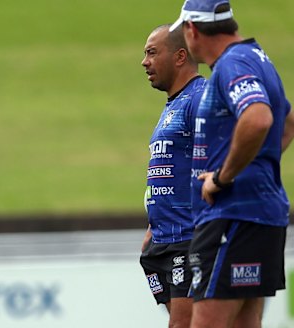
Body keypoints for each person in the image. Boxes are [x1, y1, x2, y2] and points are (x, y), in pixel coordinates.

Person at [169, 1, 294, 327]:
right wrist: (254, 167)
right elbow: (288, 121)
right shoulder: (258, 58)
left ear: (192, 30)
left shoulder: (231, 64)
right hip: (262, 215)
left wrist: (225, 177)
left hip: (231, 216)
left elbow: (258, 118)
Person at [139, 24, 206, 328]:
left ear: (180, 56)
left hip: (188, 238)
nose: (144, 61)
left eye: (152, 52)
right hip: (162, 238)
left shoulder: (200, 98)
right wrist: (155, 222)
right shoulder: (174, 103)